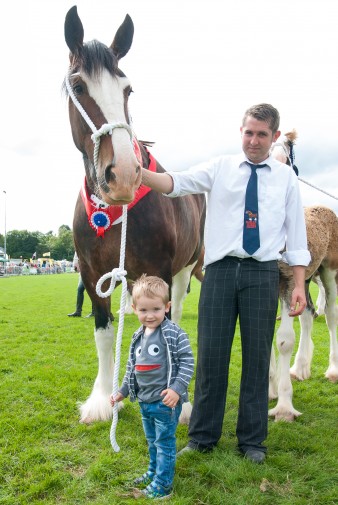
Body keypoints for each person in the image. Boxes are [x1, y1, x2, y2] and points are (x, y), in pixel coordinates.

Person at [140, 103, 311, 464]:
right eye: (248, 132)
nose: (253, 140)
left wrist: (299, 285)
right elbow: (177, 183)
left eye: (262, 134)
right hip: (217, 274)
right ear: (241, 131)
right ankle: (202, 437)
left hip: (262, 274)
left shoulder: (285, 179)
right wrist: (139, 174)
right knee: (211, 359)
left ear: (275, 137)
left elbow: (296, 237)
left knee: (256, 359)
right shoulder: (220, 168)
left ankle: (252, 442)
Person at [110, 275, 194, 499]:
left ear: (167, 307)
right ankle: (154, 471)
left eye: (156, 309)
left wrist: (176, 389)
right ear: (134, 308)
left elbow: (188, 362)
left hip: (165, 403)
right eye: (144, 310)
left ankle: (163, 484)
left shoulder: (175, 334)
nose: (150, 315)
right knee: (152, 441)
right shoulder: (137, 336)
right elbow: (132, 370)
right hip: (145, 403)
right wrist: (122, 391)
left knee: (164, 443)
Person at [68, 252, 94, 318]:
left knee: (84, 289)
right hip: (84, 268)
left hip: (89, 268)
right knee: (82, 289)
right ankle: (78, 311)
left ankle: (92, 311)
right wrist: (76, 263)